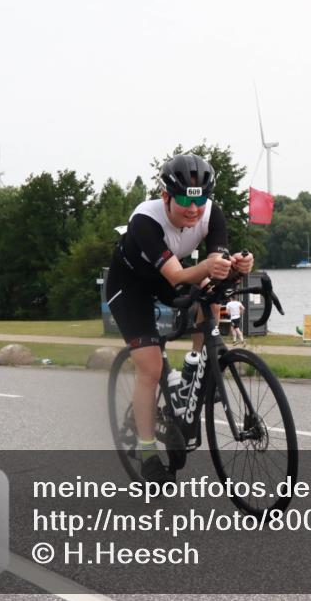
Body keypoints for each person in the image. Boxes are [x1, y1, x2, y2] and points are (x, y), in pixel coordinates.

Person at [104, 153, 253, 483]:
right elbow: (174, 276)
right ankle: (146, 452)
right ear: (166, 196)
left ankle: (194, 369)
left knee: (210, 297)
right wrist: (209, 269)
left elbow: (214, 265)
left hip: (167, 275)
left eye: (200, 201)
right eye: (184, 199)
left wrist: (237, 267)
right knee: (151, 366)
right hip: (130, 286)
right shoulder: (145, 220)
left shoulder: (211, 214)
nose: (193, 209)